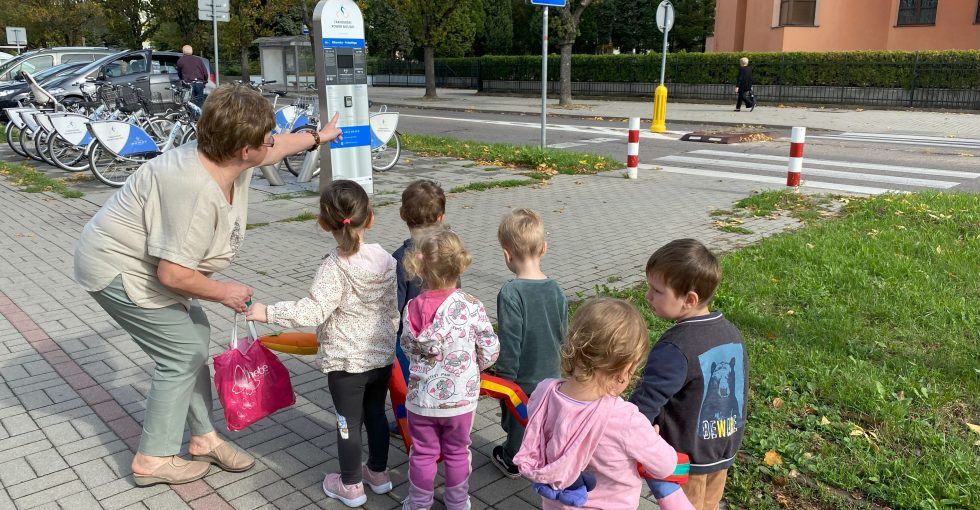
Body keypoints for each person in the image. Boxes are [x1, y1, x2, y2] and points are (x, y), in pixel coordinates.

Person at [73, 85, 343, 487]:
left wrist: (318, 137)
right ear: (243, 150)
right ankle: (152, 459)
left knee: (194, 337)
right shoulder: (195, 189)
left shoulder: (229, 155)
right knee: (181, 352)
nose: (271, 143)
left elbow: (277, 146)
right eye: (264, 138)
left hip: (150, 261)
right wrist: (225, 292)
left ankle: (203, 439)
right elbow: (173, 275)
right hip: (119, 266)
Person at [247, 180, 398, 508]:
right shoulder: (387, 259)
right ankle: (380, 474)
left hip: (346, 364)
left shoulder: (333, 268)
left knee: (348, 423)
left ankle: (351, 485)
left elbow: (312, 310)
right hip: (381, 356)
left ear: (323, 223)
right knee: (375, 414)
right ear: (369, 218)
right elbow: (392, 307)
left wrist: (266, 311)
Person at [514, 298, 694, 510]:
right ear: (626, 368)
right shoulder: (625, 419)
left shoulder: (543, 392)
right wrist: (650, 437)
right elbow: (666, 465)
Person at [630, 239, 749, 510]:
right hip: (722, 447)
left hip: (686, 457)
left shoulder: (676, 346)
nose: (648, 296)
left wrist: (628, 435)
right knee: (709, 504)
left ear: (689, 299)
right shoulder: (731, 333)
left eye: (657, 290)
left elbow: (645, 403)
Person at [400, 226, 500, 510]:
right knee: (457, 451)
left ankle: (419, 502)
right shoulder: (471, 306)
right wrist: (473, 366)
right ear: (459, 265)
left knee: (422, 453)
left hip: (422, 400)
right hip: (460, 398)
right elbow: (490, 349)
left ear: (422, 268)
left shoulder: (411, 308)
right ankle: (457, 502)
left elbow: (408, 348)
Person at [490, 208, 567, 478]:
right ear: (544, 249)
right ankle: (541, 453)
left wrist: (505, 378)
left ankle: (512, 458)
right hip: (552, 372)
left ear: (507, 255)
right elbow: (563, 331)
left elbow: (509, 339)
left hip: (521, 377)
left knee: (518, 421)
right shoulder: (556, 288)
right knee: (543, 418)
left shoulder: (511, 292)